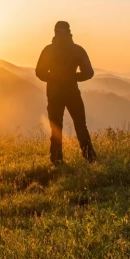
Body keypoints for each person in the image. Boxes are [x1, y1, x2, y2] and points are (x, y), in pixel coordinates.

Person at [35, 21, 96, 165]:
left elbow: (39, 72)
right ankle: (89, 157)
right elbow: (89, 73)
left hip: (54, 92)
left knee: (56, 126)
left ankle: (57, 159)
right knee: (80, 124)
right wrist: (73, 77)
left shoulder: (48, 50)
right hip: (72, 92)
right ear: (69, 32)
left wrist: (54, 78)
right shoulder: (77, 50)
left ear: (55, 32)